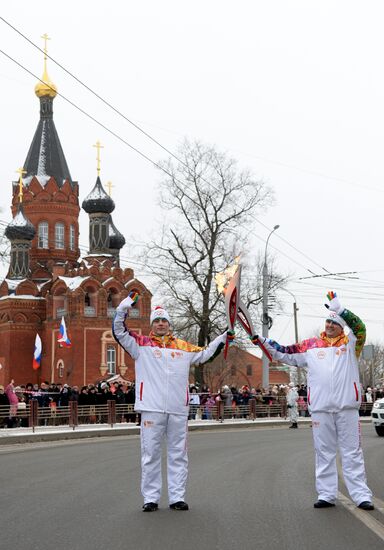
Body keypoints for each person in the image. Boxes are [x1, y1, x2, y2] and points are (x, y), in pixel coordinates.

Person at [251, 291, 374, 511]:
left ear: (342, 326)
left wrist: (341, 309)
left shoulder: (351, 344)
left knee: (352, 452)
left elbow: (361, 328)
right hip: (321, 409)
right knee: (323, 452)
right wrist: (263, 341)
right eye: (327, 321)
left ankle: (361, 495)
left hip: (347, 408)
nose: (329, 325)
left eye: (334, 322)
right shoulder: (311, 345)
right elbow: (284, 352)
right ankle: (326, 494)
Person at [112, 292, 231, 512]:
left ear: (169, 324)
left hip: (178, 409)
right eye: (156, 321)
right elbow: (119, 331)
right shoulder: (140, 344)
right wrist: (123, 308)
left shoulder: (183, 347)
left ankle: (177, 497)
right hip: (151, 409)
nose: (160, 324)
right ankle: (151, 498)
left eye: (163, 320)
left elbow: (206, 354)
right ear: (152, 325)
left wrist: (224, 336)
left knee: (178, 455)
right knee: (150, 455)